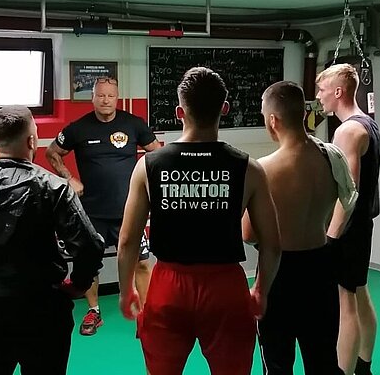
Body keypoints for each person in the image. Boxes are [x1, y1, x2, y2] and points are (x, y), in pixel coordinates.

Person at [117, 66, 282, 375]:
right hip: (226, 288)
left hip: (167, 286)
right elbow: (272, 244)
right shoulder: (250, 169)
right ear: (225, 109)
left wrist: (127, 290)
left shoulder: (148, 165)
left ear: (180, 111)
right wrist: (261, 290)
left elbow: (127, 241)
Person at [0, 105, 105, 375]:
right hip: (43, 306)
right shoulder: (54, 186)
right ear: (32, 140)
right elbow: (90, 245)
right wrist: (78, 284)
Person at [243, 80, 357, 375]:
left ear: (273, 120)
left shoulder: (263, 168)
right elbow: (348, 200)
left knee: (279, 364)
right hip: (320, 266)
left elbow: (248, 233)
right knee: (322, 361)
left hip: (280, 273)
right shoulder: (331, 157)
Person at [46, 76, 161, 336]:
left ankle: (147, 314)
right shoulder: (78, 128)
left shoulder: (134, 124)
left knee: (143, 262)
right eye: (100, 95)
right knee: (88, 265)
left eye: (110, 95)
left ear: (117, 97)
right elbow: (52, 152)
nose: (105, 100)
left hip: (129, 211)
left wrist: (149, 185)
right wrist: (69, 178)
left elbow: (157, 153)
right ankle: (94, 311)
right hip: (91, 213)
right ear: (93, 97)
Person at [316, 64, 380, 375]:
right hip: (363, 225)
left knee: (345, 303)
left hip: (350, 230)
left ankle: (344, 371)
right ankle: (365, 365)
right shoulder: (368, 124)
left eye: (322, 91)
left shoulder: (348, 130)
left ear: (338, 92)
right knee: (359, 290)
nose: (319, 97)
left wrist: (331, 236)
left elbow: (349, 192)